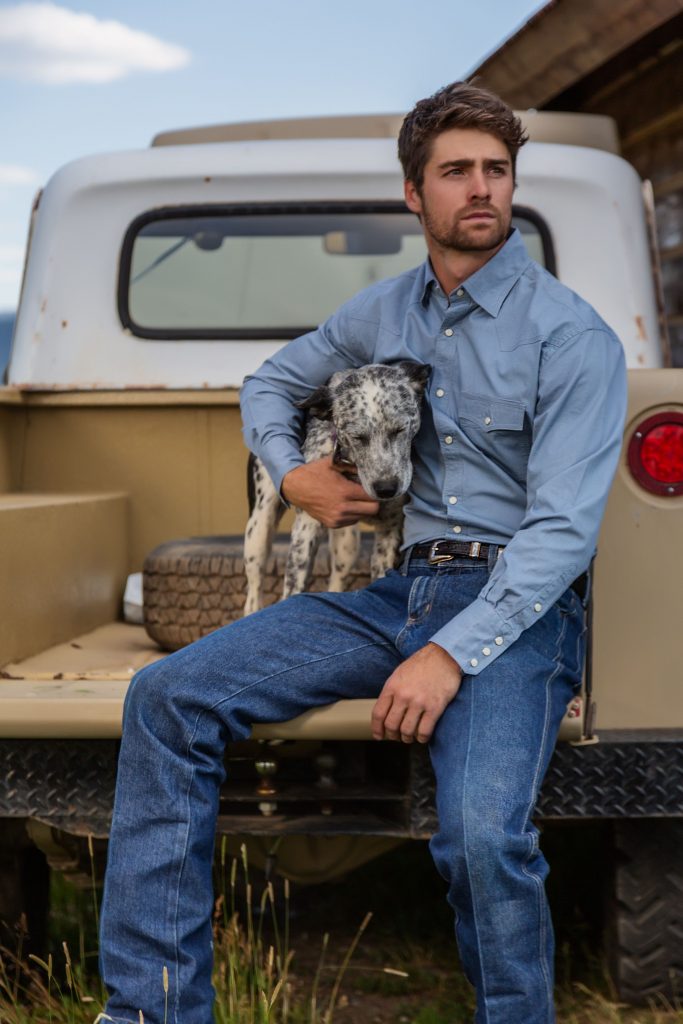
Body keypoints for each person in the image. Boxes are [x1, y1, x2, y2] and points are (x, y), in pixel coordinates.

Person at [99, 81, 627, 1024]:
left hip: (517, 607)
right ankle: (151, 1010)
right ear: (413, 194)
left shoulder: (570, 334)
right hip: (399, 592)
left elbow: (560, 533)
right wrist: (292, 474)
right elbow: (268, 384)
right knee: (167, 696)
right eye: (455, 171)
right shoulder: (380, 312)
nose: (480, 188)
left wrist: (446, 656)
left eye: (496, 170)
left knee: (479, 836)